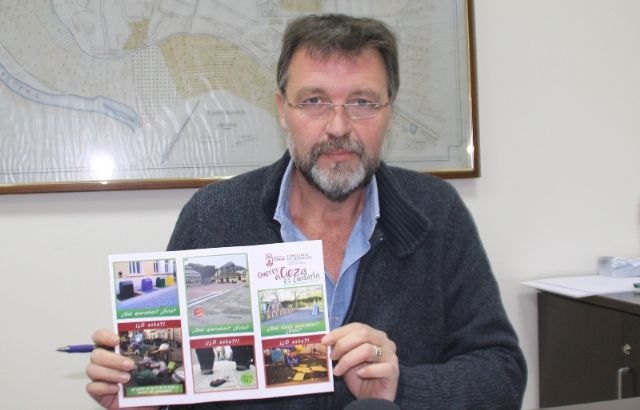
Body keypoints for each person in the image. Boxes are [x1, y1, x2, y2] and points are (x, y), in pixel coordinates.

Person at [86, 13, 526, 409]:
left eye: (362, 102)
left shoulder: (436, 212)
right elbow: (180, 380)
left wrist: (400, 386)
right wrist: (145, 396)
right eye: (314, 100)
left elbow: (502, 375)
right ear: (283, 110)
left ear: (389, 112)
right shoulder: (213, 216)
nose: (338, 126)